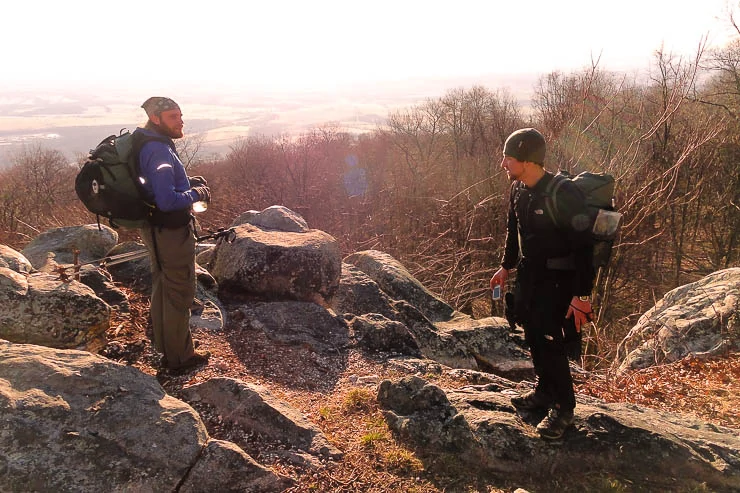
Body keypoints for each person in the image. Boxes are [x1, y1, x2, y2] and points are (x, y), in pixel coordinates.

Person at [490, 128, 595, 440]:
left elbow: (584, 247)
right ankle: (544, 391)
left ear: (527, 160)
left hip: (561, 281)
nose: (503, 164)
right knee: (532, 333)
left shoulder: (564, 194)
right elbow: (514, 230)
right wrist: (505, 267)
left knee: (550, 341)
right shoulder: (518, 190)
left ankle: (564, 408)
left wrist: (582, 295)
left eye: (508, 158)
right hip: (530, 275)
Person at [133, 96, 212, 371]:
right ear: (156, 119)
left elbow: (157, 186)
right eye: (173, 117)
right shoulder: (159, 150)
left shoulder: (145, 142)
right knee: (179, 290)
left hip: (155, 228)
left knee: (163, 286)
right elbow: (167, 200)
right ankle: (180, 357)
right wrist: (197, 193)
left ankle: (167, 347)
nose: (181, 121)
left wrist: (187, 183)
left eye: (180, 115)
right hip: (171, 231)